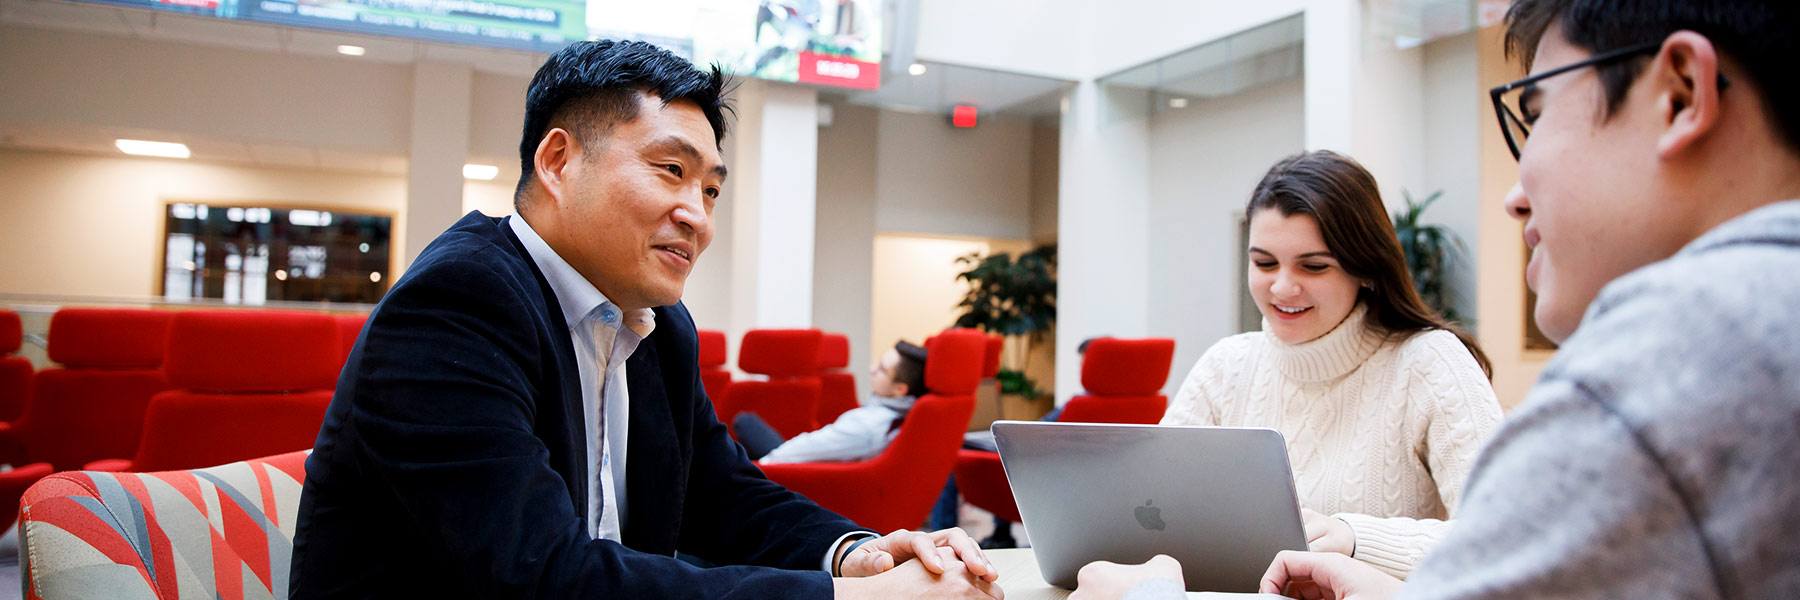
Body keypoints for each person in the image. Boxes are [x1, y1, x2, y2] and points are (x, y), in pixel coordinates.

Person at [1084, 0, 1800, 597]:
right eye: (1263, 262)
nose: (1515, 194)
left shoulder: (1657, 377)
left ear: (1680, 92)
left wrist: (1154, 594)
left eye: (1535, 113)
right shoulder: (1228, 364)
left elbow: (1498, 543)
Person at [290, 40, 1001, 599]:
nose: (698, 215)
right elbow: (537, 574)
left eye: (711, 189)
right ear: (559, 161)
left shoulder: (658, 326)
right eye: (671, 170)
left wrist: (860, 554)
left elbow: (720, 493)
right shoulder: (459, 303)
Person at [1160, 150, 1503, 579]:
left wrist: (1356, 538)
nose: (1282, 287)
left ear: (1365, 267)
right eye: (1264, 263)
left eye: (1314, 266)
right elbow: (1152, 508)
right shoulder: (1225, 366)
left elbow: (1507, 535)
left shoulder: (1430, 363)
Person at [733, 340, 928, 464]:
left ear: (900, 389)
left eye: (882, 369)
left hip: (793, 474)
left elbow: (795, 454)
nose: (872, 369)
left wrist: (761, 466)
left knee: (745, 422)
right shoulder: (902, 415)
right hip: (811, 465)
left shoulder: (867, 426)